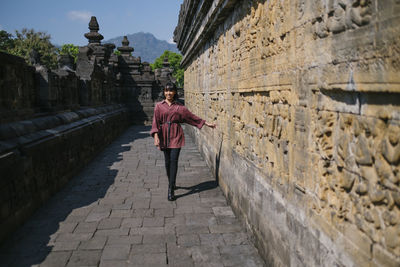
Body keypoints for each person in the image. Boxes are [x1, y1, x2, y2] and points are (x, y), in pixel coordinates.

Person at [150, 82, 216, 201]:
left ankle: (170, 189)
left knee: (174, 161)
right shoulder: (159, 106)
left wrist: (207, 123)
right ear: (164, 92)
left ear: (174, 92)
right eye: (166, 91)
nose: (168, 93)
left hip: (176, 135)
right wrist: (156, 136)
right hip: (164, 134)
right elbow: (155, 121)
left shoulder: (180, 107)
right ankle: (172, 182)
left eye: (170, 90)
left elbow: (192, 117)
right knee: (167, 162)